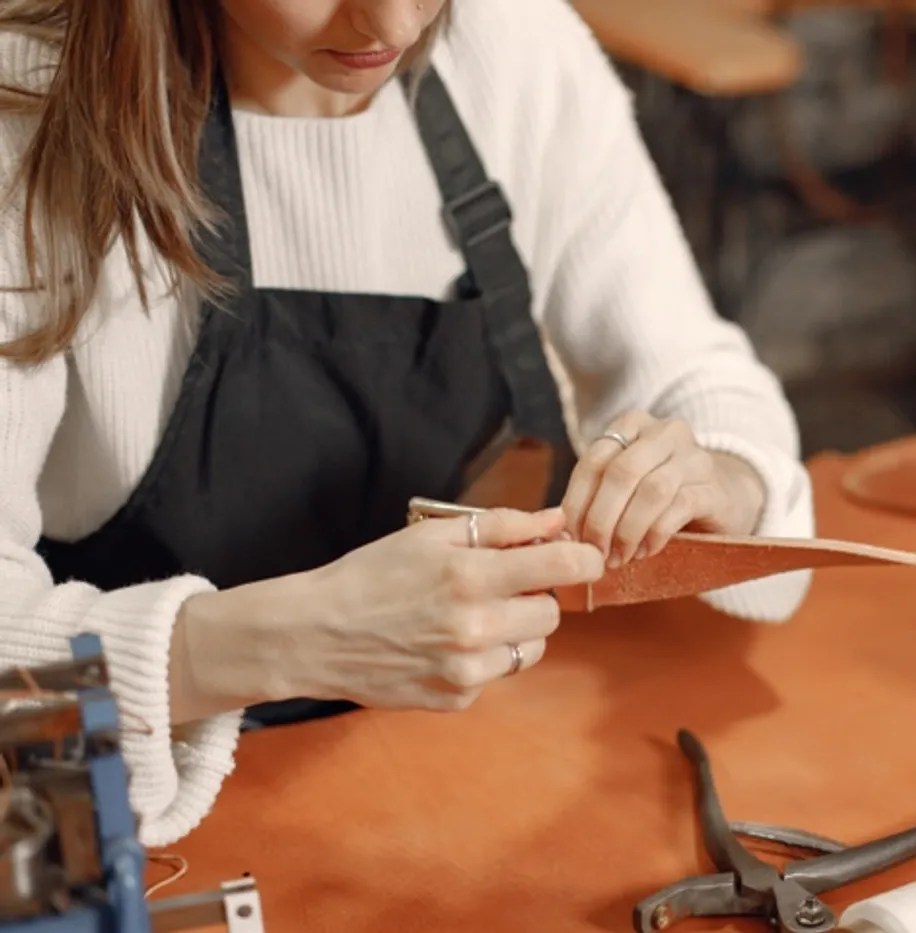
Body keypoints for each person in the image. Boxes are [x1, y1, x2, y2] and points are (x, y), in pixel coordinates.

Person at [0, 0, 814, 847]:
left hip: (425, 782)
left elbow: (691, 369)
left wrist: (724, 475)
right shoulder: (24, 109)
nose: (392, 22)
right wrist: (265, 646)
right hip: (111, 800)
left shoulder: (511, 45)